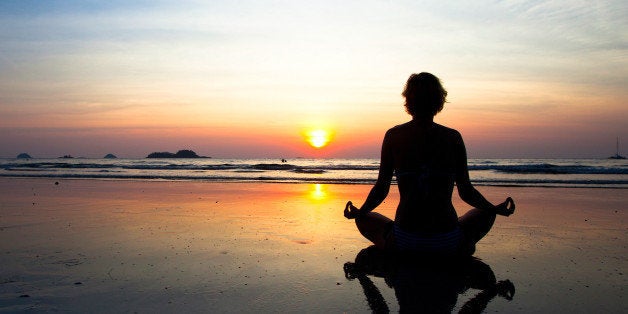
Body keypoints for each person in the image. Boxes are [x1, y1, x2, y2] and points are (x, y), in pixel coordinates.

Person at [344, 72, 515, 256]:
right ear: (439, 101)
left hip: (404, 240)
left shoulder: (394, 136)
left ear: (408, 101)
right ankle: (463, 245)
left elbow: (381, 189)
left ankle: (392, 247)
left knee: (363, 218)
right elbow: (466, 192)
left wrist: (361, 211)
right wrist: (494, 209)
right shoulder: (453, 137)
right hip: (447, 240)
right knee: (486, 213)